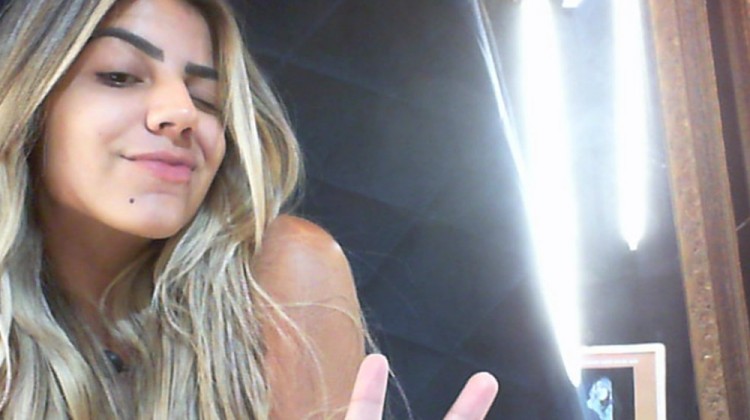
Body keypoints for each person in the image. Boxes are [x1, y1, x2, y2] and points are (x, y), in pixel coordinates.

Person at [0, 0, 498, 418]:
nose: (182, 113)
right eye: (119, 75)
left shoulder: (283, 276)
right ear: (30, 99)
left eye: (206, 97)